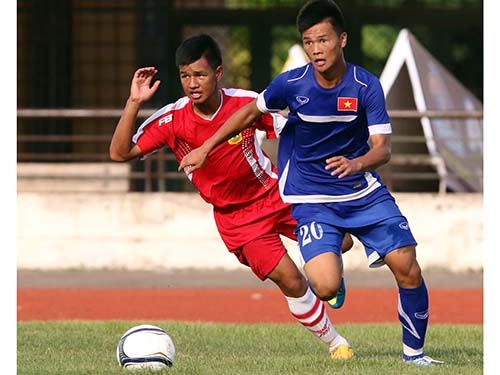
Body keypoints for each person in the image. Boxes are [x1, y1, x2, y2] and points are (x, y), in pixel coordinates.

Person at [179, 1, 444, 367]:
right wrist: (206, 147)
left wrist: (357, 163)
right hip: (311, 198)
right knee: (324, 286)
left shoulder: (366, 85)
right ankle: (336, 253)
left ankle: (415, 355)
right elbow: (250, 112)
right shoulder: (290, 84)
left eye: (323, 40)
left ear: (342, 39)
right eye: (309, 42)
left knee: (407, 266)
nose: (316, 49)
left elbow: (383, 150)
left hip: (362, 192)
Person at [109, 34, 354, 360]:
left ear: (218, 73)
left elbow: (293, 128)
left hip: (277, 194)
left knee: (345, 242)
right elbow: (120, 152)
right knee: (292, 280)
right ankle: (337, 345)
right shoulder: (172, 119)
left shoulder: (246, 103)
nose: (192, 84)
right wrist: (134, 102)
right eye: (185, 76)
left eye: (200, 74)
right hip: (237, 220)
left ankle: (330, 278)